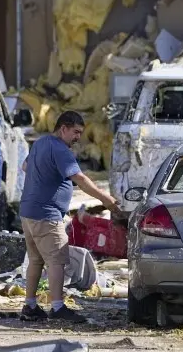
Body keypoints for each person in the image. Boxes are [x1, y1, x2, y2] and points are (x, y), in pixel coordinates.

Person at [18, 110, 120, 323]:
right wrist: (107, 199)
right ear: (63, 128)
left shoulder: (40, 143)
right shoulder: (60, 149)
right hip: (46, 215)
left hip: (28, 212)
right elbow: (80, 178)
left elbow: (25, 166)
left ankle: (30, 306)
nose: (77, 137)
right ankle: (57, 307)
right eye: (75, 132)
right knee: (57, 261)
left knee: (36, 261)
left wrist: (45, 177)